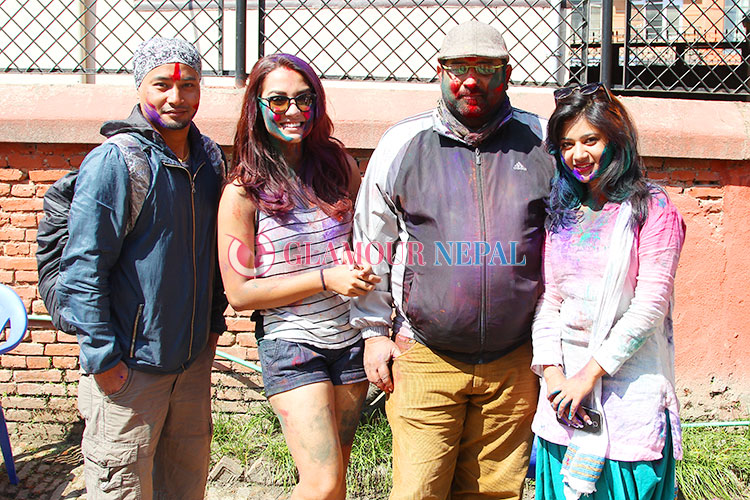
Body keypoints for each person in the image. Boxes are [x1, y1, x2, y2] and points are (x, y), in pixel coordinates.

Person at [351, 21, 555, 499]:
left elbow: (568, 239)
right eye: (459, 68)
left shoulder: (542, 140)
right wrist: (373, 333)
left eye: (485, 69)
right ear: (440, 72)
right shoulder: (403, 143)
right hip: (426, 354)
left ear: (506, 74)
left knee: (494, 493)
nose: (471, 80)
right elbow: (371, 241)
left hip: (514, 362)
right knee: (418, 491)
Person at [56, 38, 227, 499]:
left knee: (185, 488)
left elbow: (214, 255)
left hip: (190, 367)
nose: (176, 97)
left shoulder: (210, 159)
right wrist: (103, 359)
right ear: (139, 88)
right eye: (162, 84)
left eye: (188, 85)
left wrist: (212, 328)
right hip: (129, 372)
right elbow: (83, 267)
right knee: (124, 488)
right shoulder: (117, 161)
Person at [217, 53, 380, 500]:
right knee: (321, 483)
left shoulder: (338, 165)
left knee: (336, 480)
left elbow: (364, 238)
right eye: (278, 100)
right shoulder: (243, 192)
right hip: (292, 345)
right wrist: (325, 278)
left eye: (304, 99)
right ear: (257, 107)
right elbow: (240, 292)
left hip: (349, 341)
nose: (293, 110)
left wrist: (365, 267)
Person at [530, 82, 686, 499]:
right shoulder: (563, 213)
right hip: (564, 402)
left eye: (590, 140)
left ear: (616, 141)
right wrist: (553, 374)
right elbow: (550, 299)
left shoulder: (652, 209)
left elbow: (650, 306)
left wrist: (588, 376)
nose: (577, 154)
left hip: (629, 398)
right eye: (566, 145)